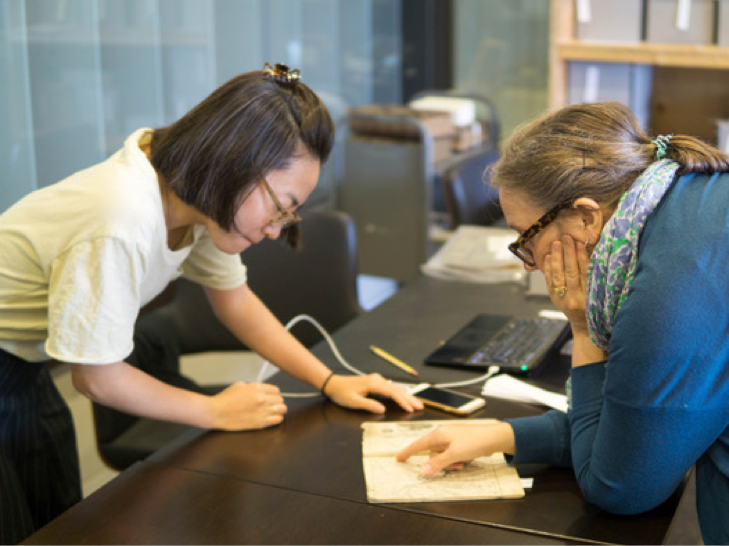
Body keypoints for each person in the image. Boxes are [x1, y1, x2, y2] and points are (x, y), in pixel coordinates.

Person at [0, 62, 422, 545]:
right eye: (280, 206)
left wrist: (330, 380)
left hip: (23, 367)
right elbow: (97, 377)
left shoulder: (193, 195)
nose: (275, 229)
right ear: (234, 161)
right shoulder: (120, 217)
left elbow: (235, 303)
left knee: (55, 526)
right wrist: (214, 410)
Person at [396, 101, 729, 546]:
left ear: (586, 216)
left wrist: (582, 329)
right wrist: (506, 434)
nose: (527, 265)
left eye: (526, 239)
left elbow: (620, 488)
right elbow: (640, 429)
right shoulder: (688, 201)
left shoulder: (672, 289)